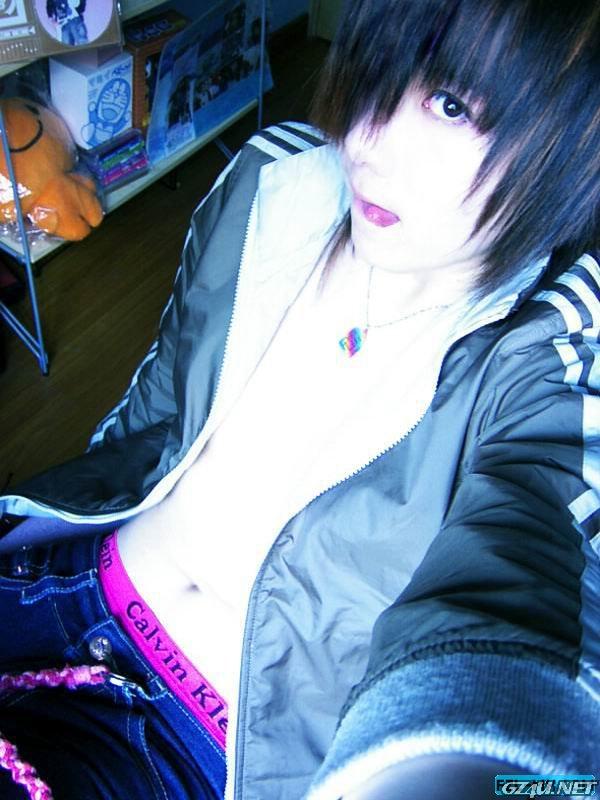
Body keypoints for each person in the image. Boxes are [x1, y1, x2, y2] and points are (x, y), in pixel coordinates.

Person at [0, 0, 599, 797]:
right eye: (380, 69)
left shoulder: (550, 358)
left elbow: (536, 631)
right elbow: (153, 415)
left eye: (453, 107)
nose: (367, 139)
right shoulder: (273, 177)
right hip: (59, 582)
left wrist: (487, 767)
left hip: (193, 741)